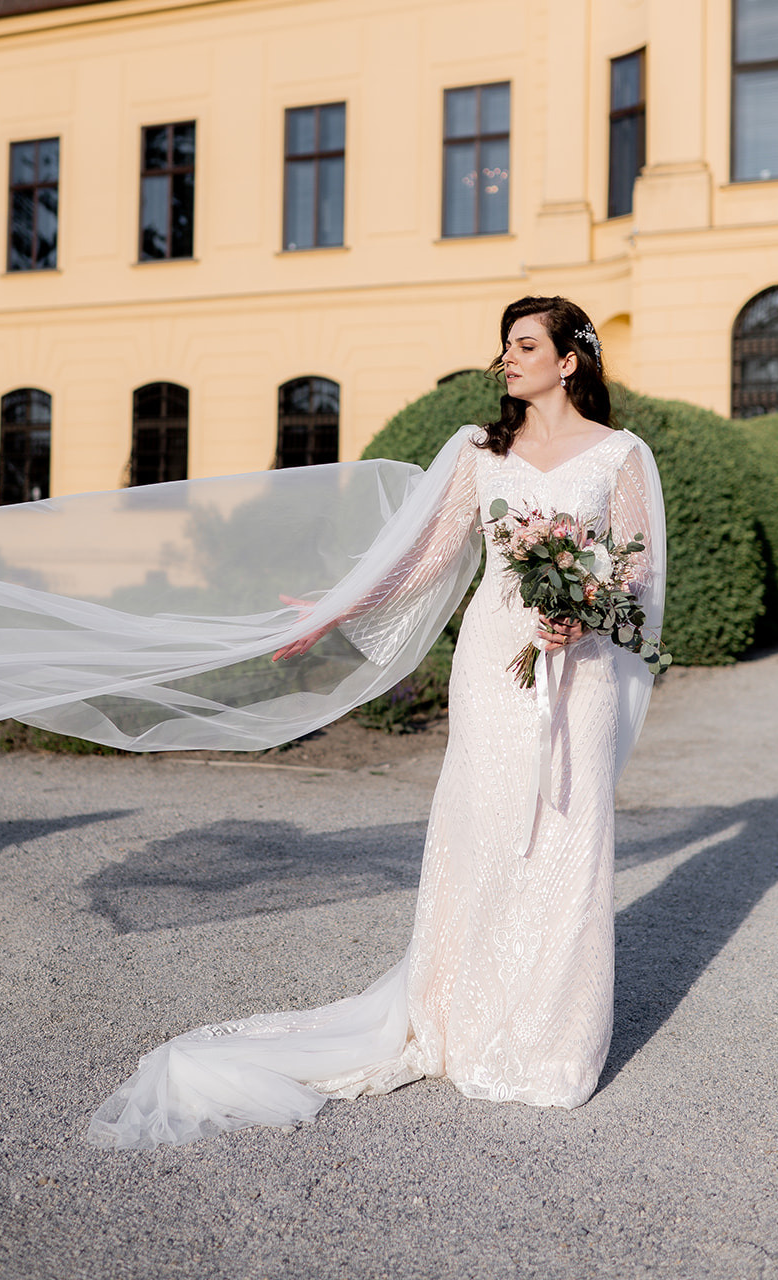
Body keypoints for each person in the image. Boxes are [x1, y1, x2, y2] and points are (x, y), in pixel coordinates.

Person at [86, 295, 666, 1147]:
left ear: (568, 359)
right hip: (494, 663)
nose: (505, 358)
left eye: (523, 344)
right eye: (504, 345)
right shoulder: (482, 450)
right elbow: (427, 555)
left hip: (575, 671)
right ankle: (460, 1020)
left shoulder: (618, 456)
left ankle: (549, 1040)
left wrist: (584, 612)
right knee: (482, 828)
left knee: (567, 835)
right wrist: (329, 611)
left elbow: (635, 571)